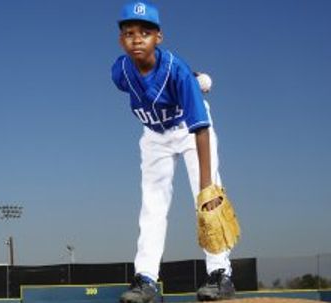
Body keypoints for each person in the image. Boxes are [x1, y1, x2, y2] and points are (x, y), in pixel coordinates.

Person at [110, 2, 240, 302]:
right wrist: (195, 81)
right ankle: (146, 279)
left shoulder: (175, 70)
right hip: (154, 137)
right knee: (152, 206)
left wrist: (208, 187)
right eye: (129, 33)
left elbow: (201, 128)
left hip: (188, 130)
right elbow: (143, 86)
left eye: (146, 32)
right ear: (121, 41)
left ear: (159, 37)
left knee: (208, 200)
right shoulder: (120, 72)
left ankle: (221, 275)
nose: (137, 38)